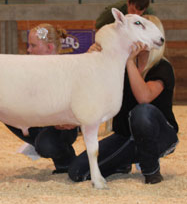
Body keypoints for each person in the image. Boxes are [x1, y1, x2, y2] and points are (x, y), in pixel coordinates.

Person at [68, 15, 179, 184]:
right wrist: (93, 59)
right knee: (77, 171)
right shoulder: (119, 66)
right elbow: (97, 91)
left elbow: (144, 98)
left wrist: (128, 61)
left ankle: (151, 169)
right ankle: (123, 162)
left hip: (160, 136)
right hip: (125, 136)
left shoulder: (162, 67)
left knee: (142, 112)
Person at [0, 23, 79, 175]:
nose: (28, 50)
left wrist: (70, 119)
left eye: (33, 45)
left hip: (59, 126)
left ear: (50, 48)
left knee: (46, 144)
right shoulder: (26, 68)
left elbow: (79, 104)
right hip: (32, 121)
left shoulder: (68, 69)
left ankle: (65, 161)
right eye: (29, 45)